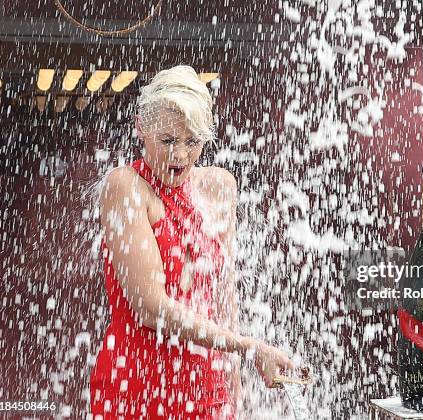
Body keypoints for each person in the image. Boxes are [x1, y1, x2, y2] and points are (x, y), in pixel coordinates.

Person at [90, 65, 295, 419]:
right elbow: (150, 308)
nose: (180, 155)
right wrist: (247, 347)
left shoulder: (219, 187)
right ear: (141, 127)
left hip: (206, 388)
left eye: (193, 141)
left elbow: (223, 299)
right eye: (168, 140)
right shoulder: (125, 187)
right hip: (139, 386)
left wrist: (235, 398)